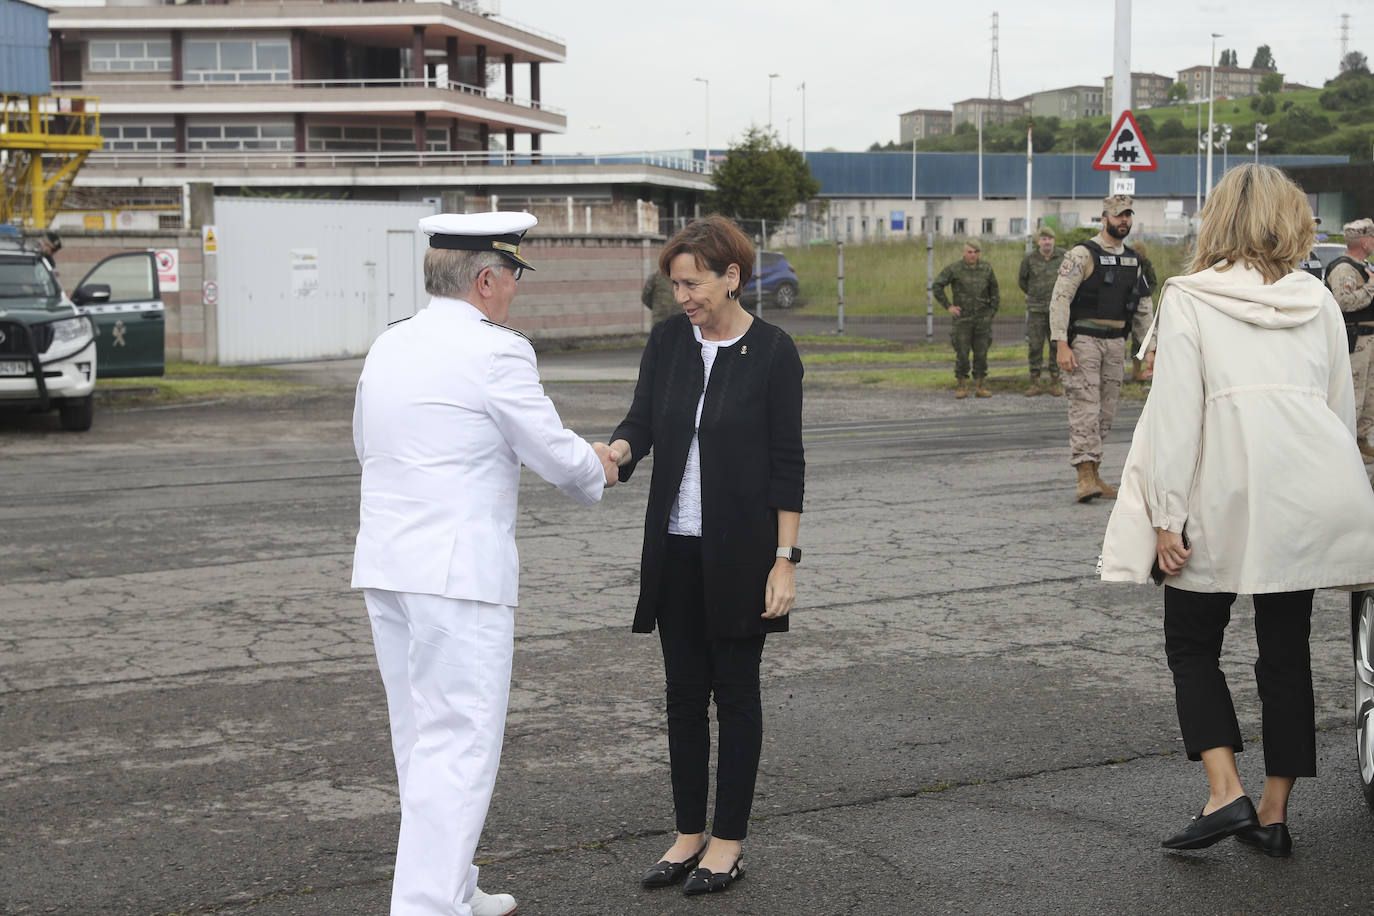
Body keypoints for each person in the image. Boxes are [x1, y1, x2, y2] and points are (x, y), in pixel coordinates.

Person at [1100, 164, 1374, 859]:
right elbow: (1342, 412)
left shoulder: (1188, 297)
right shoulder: (1317, 300)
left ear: (1218, 219)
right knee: (1287, 652)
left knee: (1192, 642)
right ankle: (1276, 814)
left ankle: (1226, 794)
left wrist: (1166, 514)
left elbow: (1175, 417)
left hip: (1220, 488)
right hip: (1313, 489)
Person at [352, 211, 619, 916]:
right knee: (461, 745)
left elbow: (368, 445)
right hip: (456, 576)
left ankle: (453, 884)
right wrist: (603, 465)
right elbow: (554, 452)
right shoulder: (496, 352)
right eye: (511, 280)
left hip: (389, 564)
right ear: (486, 280)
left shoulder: (390, 344)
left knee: (422, 742)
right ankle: (426, 909)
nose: (513, 295)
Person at [605, 215, 804, 897]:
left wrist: (786, 560)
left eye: (692, 284)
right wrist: (616, 453)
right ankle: (688, 835)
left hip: (743, 556)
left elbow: (788, 465)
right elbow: (641, 422)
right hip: (675, 552)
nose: (682, 297)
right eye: (676, 286)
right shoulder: (668, 343)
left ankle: (728, 843)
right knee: (683, 697)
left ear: (731, 278)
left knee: (735, 697)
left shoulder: (775, 352)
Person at [1049, 195, 1156, 503]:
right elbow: (1060, 299)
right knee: (1085, 406)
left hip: (1115, 343)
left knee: (1106, 411)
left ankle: (1095, 472)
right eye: (1118, 215)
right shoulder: (1083, 254)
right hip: (1084, 341)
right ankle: (1084, 476)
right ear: (1104, 218)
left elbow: (1143, 308)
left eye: (1128, 215)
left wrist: (1151, 347)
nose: (1123, 220)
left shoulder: (1132, 260)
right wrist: (1061, 344)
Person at [1323, 218, 1374, 463]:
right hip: (1357, 341)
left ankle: (1362, 440)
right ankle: (1347, 446)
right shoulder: (1344, 268)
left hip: (1370, 340)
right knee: (1354, 393)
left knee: (1369, 396)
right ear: (1364, 241)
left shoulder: (1365, 265)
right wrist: (1372, 286)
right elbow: (1345, 303)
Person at [933, 238, 1000, 398]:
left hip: (982, 319)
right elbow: (937, 285)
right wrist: (948, 306)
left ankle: (980, 386)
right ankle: (962, 386)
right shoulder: (955, 269)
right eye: (970, 252)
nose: (973, 255)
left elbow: (995, 291)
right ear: (964, 252)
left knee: (981, 353)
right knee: (962, 353)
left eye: (976, 252)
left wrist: (991, 312)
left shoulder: (986, 268)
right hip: (963, 319)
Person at [1018, 227, 1066, 397]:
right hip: (1036, 309)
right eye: (1044, 239)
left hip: (1057, 310)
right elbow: (1022, 281)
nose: (1047, 242)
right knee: (1035, 346)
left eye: (1050, 239)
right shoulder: (1030, 258)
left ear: (1054, 240)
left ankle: (1055, 382)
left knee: (1056, 345)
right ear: (1039, 241)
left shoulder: (1063, 256)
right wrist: (1034, 294)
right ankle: (1035, 382)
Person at [1128, 241, 1159, 382]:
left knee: (1140, 340)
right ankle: (1135, 372)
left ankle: (1139, 371)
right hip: (1128, 303)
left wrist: (1145, 295)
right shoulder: (1128, 262)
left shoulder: (1146, 264)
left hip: (1141, 302)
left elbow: (1152, 282)